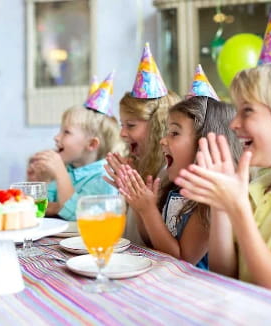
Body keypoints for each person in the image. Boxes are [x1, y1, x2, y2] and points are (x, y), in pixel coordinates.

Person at [175, 54, 271, 308]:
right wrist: (222, 206)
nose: (234, 123)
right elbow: (225, 275)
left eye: (247, 111)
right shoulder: (258, 186)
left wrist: (238, 208)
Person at [118, 92, 242, 269]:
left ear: (202, 144)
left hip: (195, 288)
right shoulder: (172, 188)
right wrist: (140, 205)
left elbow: (181, 259)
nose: (163, 140)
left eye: (174, 133)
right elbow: (152, 243)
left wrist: (148, 211)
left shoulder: (206, 202)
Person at [103, 43, 181, 245]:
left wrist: (140, 201)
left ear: (157, 126)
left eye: (130, 125)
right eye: (122, 124)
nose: (122, 133)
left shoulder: (167, 173)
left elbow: (157, 247)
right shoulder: (141, 165)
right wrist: (130, 190)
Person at [32, 72, 126, 221]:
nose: (56, 138)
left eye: (66, 132)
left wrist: (59, 172)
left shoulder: (104, 177)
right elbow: (42, 209)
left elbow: (79, 217)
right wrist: (41, 179)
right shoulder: (69, 169)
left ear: (92, 144)